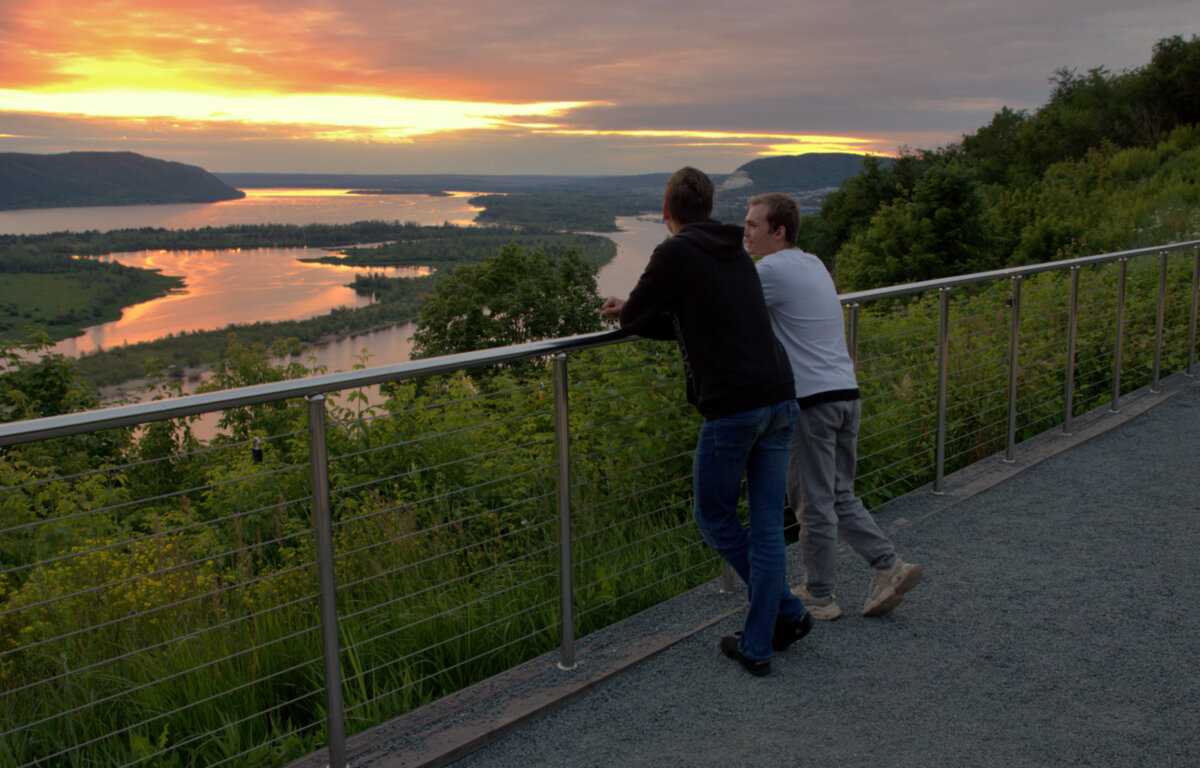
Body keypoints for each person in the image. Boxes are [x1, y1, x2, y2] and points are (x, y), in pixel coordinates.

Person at [600, 168, 812, 675]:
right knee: (765, 529)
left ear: (666, 211)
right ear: (713, 207)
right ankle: (773, 627)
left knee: (713, 515)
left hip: (735, 406)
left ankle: (780, 614)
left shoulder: (674, 252)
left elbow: (637, 319)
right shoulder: (734, 249)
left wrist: (627, 308)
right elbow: (700, 317)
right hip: (780, 397)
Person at [743, 192, 922, 620]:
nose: (745, 231)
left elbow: (723, 307)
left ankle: (821, 594)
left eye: (753, 224)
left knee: (813, 503)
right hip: (845, 393)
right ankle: (887, 566)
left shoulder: (770, 270)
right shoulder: (813, 263)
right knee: (838, 494)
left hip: (811, 402)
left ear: (778, 231)